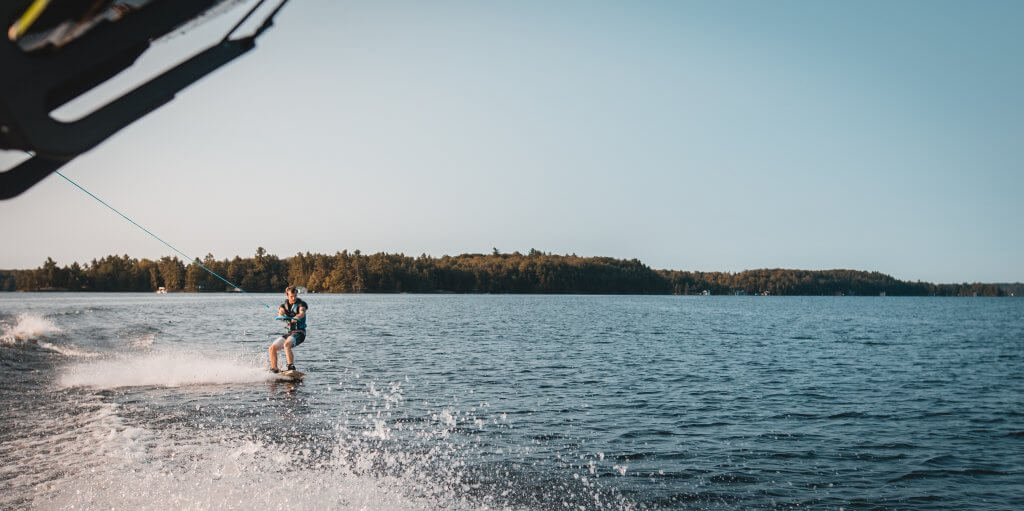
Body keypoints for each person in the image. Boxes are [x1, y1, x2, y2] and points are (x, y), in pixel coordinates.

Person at [269, 285, 308, 373]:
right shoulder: (284, 306)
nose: (293, 298)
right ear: (287, 295)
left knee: (287, 344)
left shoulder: (301, 304)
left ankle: (291, 367)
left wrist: (296, 318)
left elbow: (302, 313)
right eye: (291, 296)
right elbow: (280, 312)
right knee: (272, 348)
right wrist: (281, 316)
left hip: (300, 333)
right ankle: (274, 369)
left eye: (295, 296)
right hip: (290, 333)